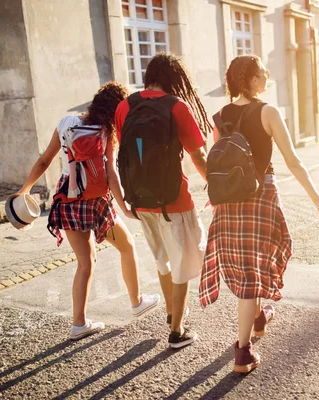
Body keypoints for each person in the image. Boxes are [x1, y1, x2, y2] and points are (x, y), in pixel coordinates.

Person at [199, 54, 319, 373]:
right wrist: (318, 199)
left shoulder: (220, 116)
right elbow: (293, 161)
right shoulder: (268, 111)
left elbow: (220, 162)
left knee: (247, 265)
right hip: (261, 195)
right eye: (265, 73)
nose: (268, 78)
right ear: (253, 80)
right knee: (251, 274)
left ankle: (258, 316)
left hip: (229, 202)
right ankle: (242, 353)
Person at [17, 82, 160, 340]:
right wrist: (125, 207)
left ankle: (78, 323)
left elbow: (44, 160)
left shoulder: (66, 122)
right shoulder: (107, 131)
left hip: (69, 198)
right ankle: (136, 301)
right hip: (97, 201)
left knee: (85, 262)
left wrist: (23, 191)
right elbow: (111, 173)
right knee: (126, 245)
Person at [114, 53, 211, 349]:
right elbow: (198, 155)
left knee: (162, 259)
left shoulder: (124, 106)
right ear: (174, 79)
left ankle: (171, 313)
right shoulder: (177, 106)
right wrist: (216, 185)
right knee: (183, 262)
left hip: (141, 200)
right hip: (174, 200)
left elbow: (128, 152)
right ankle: (177, 331)